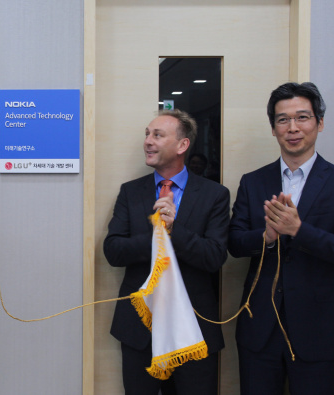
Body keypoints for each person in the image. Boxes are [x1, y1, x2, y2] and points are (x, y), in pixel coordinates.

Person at [229, 82, 334, 395]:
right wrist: (267, 237)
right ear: (273, 128)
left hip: (321, 327)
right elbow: (233, 243)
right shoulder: (253, 181)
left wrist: (299, 230)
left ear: (320, 122)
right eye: (283, 120)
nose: (293, 127)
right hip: (260, 325)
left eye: (302, 117)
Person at [103, 109, 230, 394]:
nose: (148, 141)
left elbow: (214, 256)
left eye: (157, 135)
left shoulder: (215, 195)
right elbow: (113, 251)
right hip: (139, 329)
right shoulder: (130, 192)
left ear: (182, 145)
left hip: (194, 329)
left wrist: (175, 231)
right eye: (147, 134)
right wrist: (156, 233)